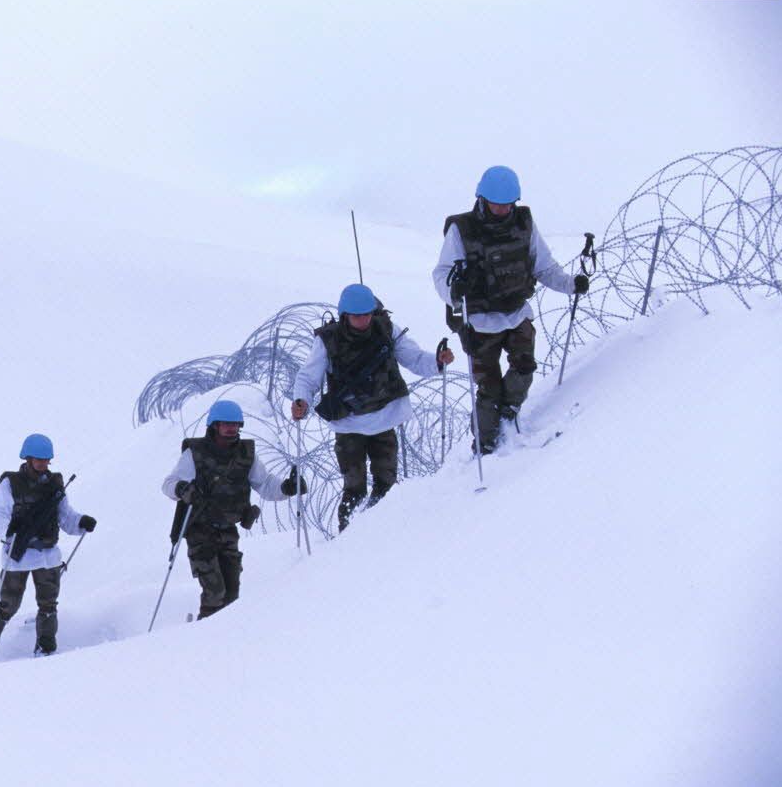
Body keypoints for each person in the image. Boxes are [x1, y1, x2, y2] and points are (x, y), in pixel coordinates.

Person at [432, 165, 589, 453]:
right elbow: (441, 274)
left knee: (525, 367)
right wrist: (454, 290)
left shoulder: (524, 224)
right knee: (488, 388)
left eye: (508, 205)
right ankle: (485, 444)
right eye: (496, 204)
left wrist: (570, 285)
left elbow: (544, 266)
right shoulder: (461, 230)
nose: (503, 210)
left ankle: (510, 411)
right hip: (480, 322)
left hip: (517, 314)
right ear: (482, 198)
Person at [291, 283, 453, 530]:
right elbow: (308, 376)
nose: (364, 320)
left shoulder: (386, 329)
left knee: (387, 485)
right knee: (354, 488)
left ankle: (383, 534)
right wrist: (301, 400)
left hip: (384, 418)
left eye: (367, 314)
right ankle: (347, 537)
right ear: (345, 315)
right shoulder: (328, 340)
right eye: (357, 315)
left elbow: (415, 358)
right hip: (349, 425)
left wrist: (437, 362)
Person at [161, 400, 304, 619]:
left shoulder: (246, 455)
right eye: (226, 424)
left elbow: (265, 484)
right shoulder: (195, 453)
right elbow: (169, 484)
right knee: (214, 592)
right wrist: (182, 489)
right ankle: (200, 636)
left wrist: (287, 488)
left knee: (232, 594)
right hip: (200, 530)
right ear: (214, 426)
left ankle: (224, 639)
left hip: (228, 530)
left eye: (236, 425)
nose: (231, 429)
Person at [0, 434, 95, 658]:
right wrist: (9, 532)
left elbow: (65, 517)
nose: (42, 464)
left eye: (46, 460)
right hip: (18, 553)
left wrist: (81, 523)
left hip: (48, 554)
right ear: (28, 458)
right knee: (9, 604)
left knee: (48, 604)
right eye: (38, 459)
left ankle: (45, 648)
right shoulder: (11, 483)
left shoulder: (55, 485)